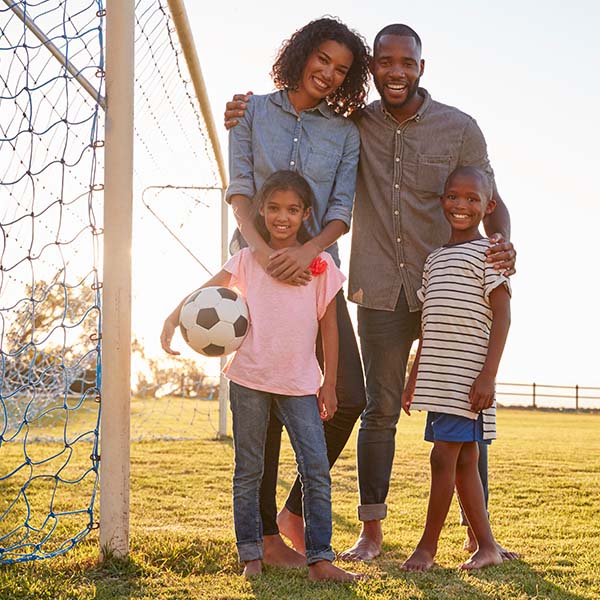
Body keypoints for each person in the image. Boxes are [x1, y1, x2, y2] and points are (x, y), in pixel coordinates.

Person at [224, 23, 518, 562]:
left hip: (437, 287)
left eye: (406, 62)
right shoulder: (318, 120)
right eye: (384, 62)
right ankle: (331, 533)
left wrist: (504, 245)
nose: (395, 72)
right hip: (361, 284)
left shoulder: (433, 128)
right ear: (373, 69)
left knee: (455, 403)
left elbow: (490, 198)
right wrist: (240, 113)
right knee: (356, 405)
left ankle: (483, 538)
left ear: (420, 67)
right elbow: (250, 181)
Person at [161, 170, 362, 581]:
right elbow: (206, 291)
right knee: (249, 470)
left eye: (291, 209)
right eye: (273, 208)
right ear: (260, 212)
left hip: (301, 384)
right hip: (249, 381)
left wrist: (329, 381)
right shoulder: (247, 260)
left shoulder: (321, 268)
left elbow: (329, 327)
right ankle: (251, 553)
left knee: (316, 468)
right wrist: (171, 315)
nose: (281, 217)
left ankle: (320, 559)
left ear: (306, 213)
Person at [224, 17, 370, 564]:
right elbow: (239, 190)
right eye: (323, 60)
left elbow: (339, 212)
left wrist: (307, 254)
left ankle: (294, 510)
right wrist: (264, 254)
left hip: (316, 276)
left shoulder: (345, 132)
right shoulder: (252, 111)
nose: (329, 74)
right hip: (256, 275)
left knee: (348, 396)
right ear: (303, 53)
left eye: (342, 69)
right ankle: (261, 539)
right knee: (260, 403)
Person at [400, 166, 511, 571]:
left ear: (488, 206)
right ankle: (487, 547)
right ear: (442, 199)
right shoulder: (434, 260)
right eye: (453, 196)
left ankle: (427, 548)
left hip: (468, 382)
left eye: (472, 199)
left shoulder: (490, 255)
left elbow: (502, 318)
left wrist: (488, 376)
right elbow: (427, 327)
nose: (460, 205)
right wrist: (413, 378)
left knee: (443, 458)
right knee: (463, 461)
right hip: (438, 382)